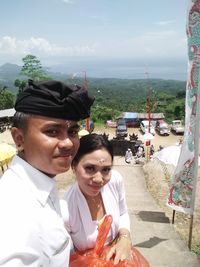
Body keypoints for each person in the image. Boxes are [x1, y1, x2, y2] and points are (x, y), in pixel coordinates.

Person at [0, 80, 94, 267]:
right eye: (52, 131)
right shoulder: (15, 210)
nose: (68, 143)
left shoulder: (39, 186)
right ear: (19, 138)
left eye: (72, 131)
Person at [63, 134, 132, 264]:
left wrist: (125, 237)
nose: (99, 179)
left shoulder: (115, 180)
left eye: (106, 169)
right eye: (90, 168)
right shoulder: (66, 209)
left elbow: (123, 212)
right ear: (74, 166)